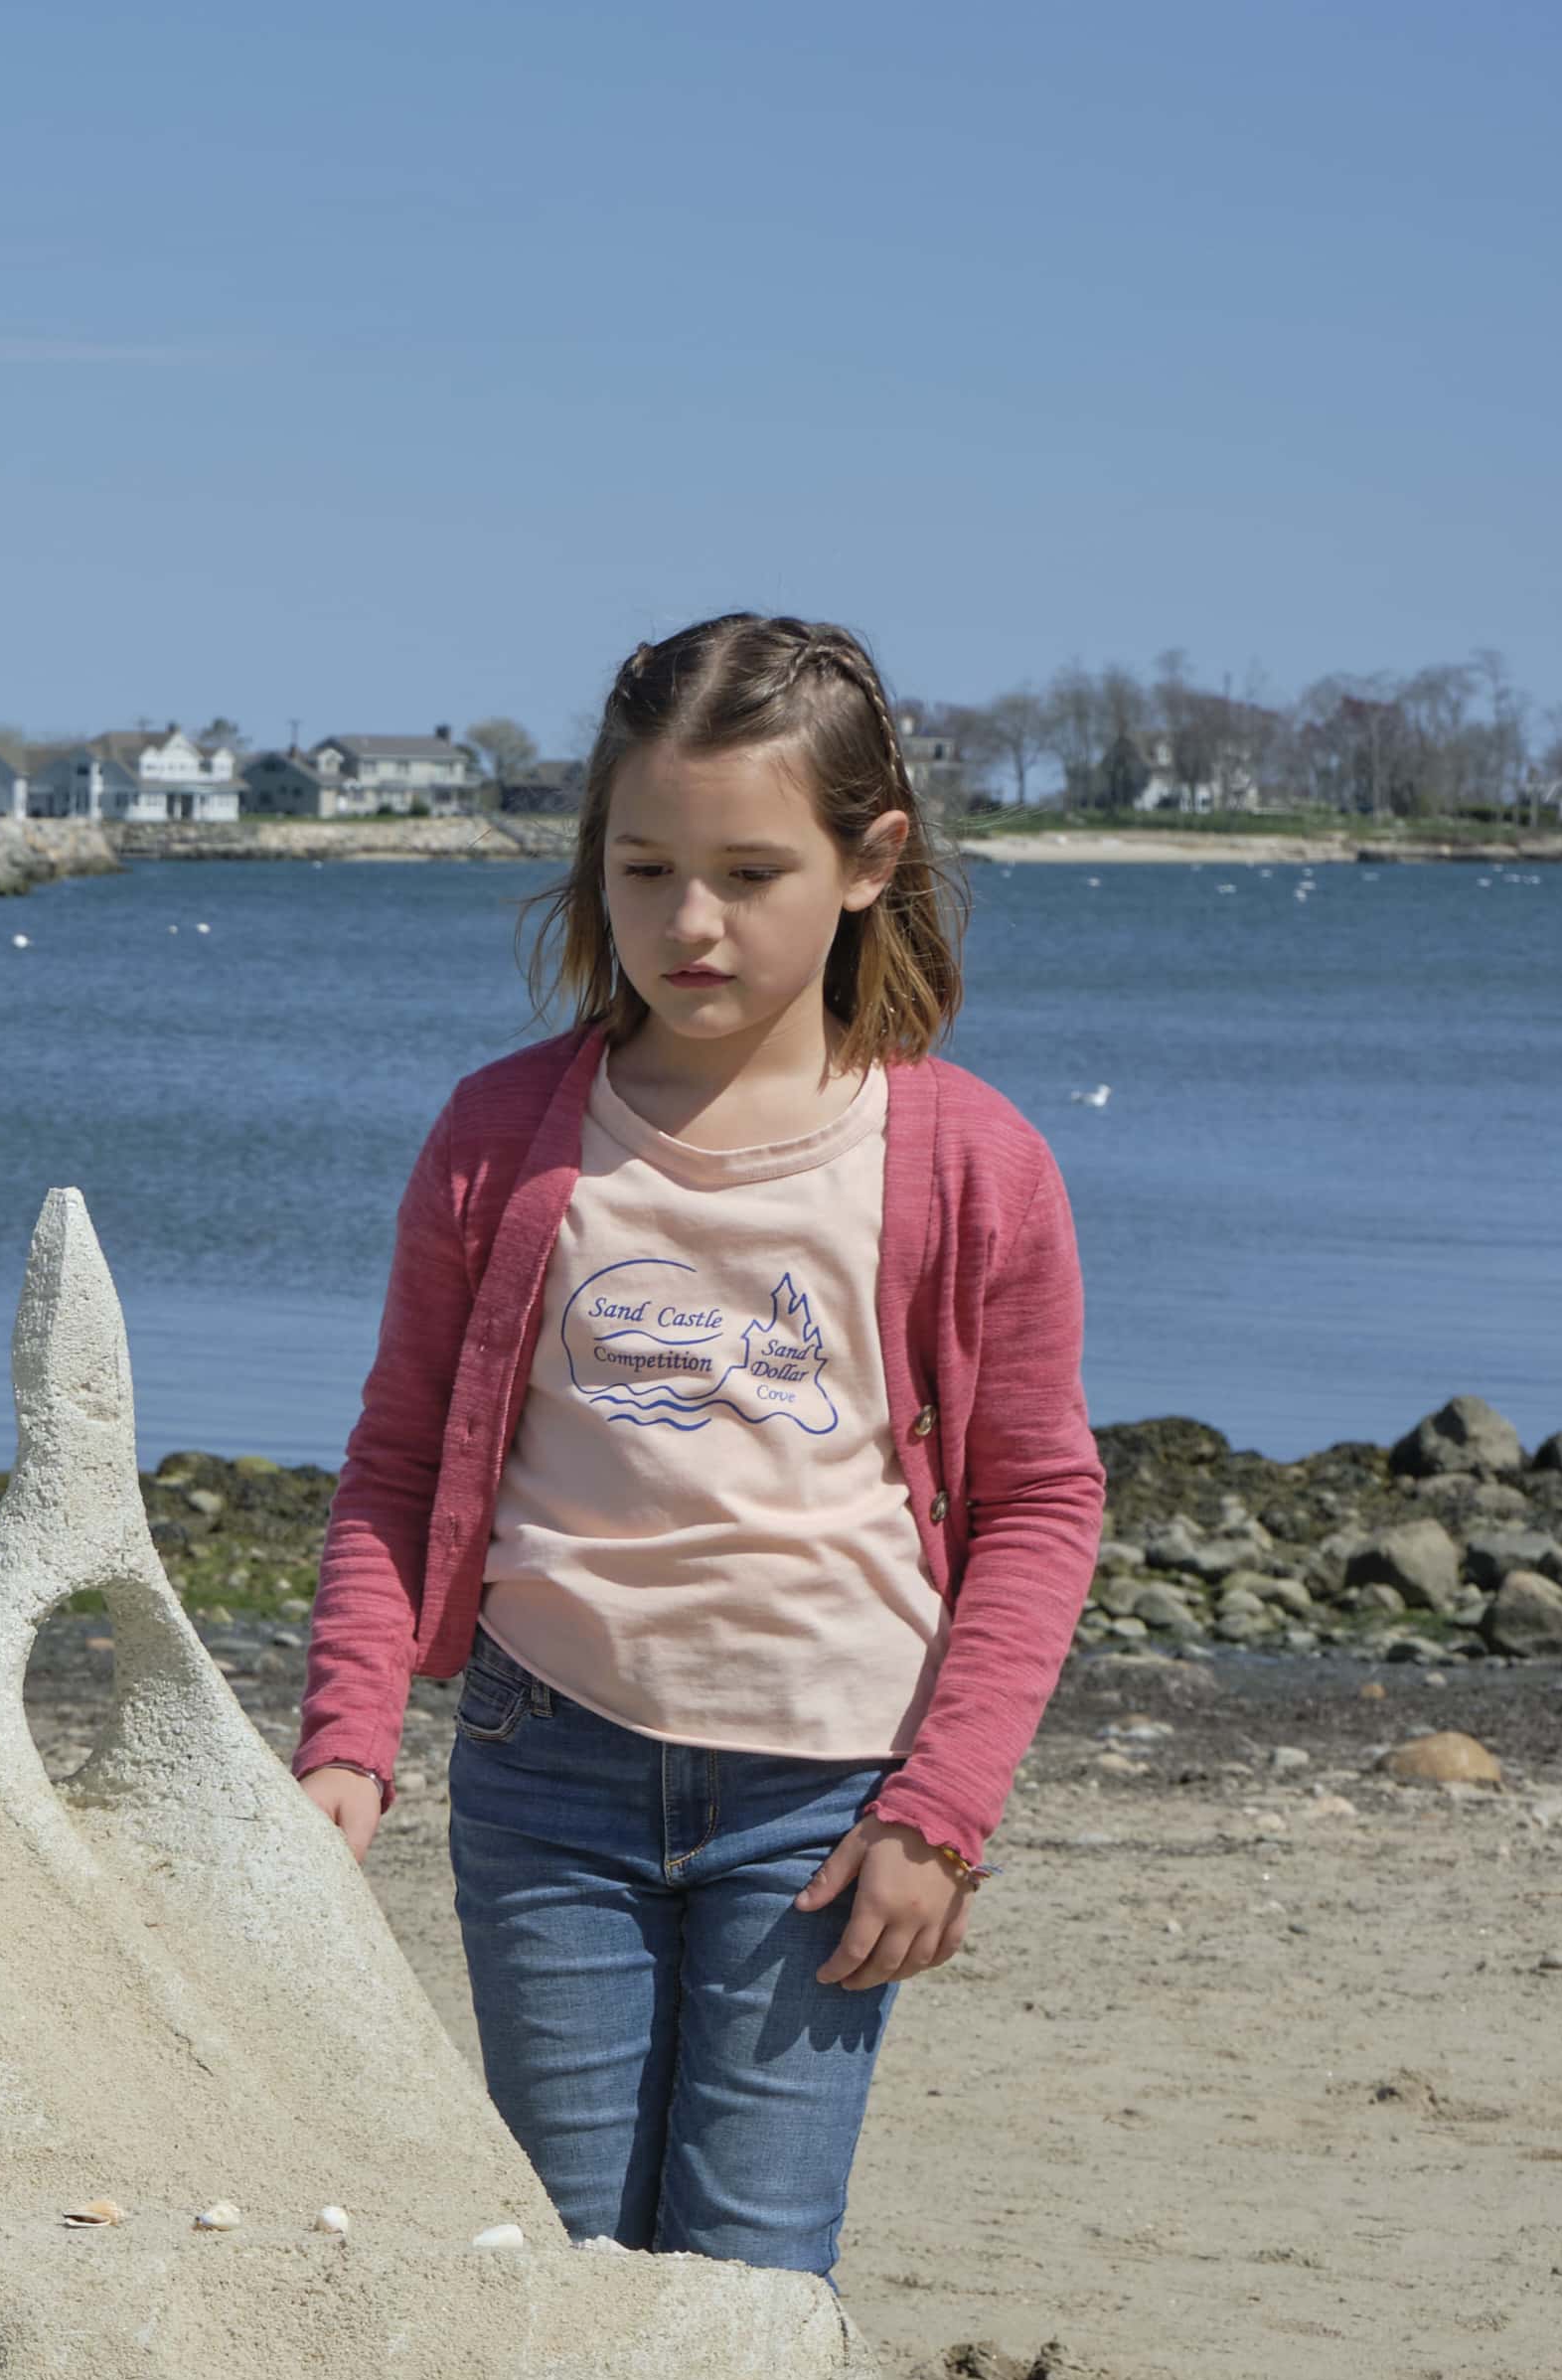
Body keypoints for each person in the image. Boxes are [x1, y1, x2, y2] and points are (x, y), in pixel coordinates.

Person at [296, 612, 1103, 2274]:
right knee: (569, 2267)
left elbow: (1038, 1502)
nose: (689, 922)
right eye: (645, 867)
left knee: (751, 2271)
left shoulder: (974, 1162)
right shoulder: (500, 1140)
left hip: (832, 1796)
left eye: (748, 873)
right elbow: (398, 1464)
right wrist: (346, 1741)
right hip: (544, 1769)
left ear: (869, 860)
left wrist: (943, 1809)